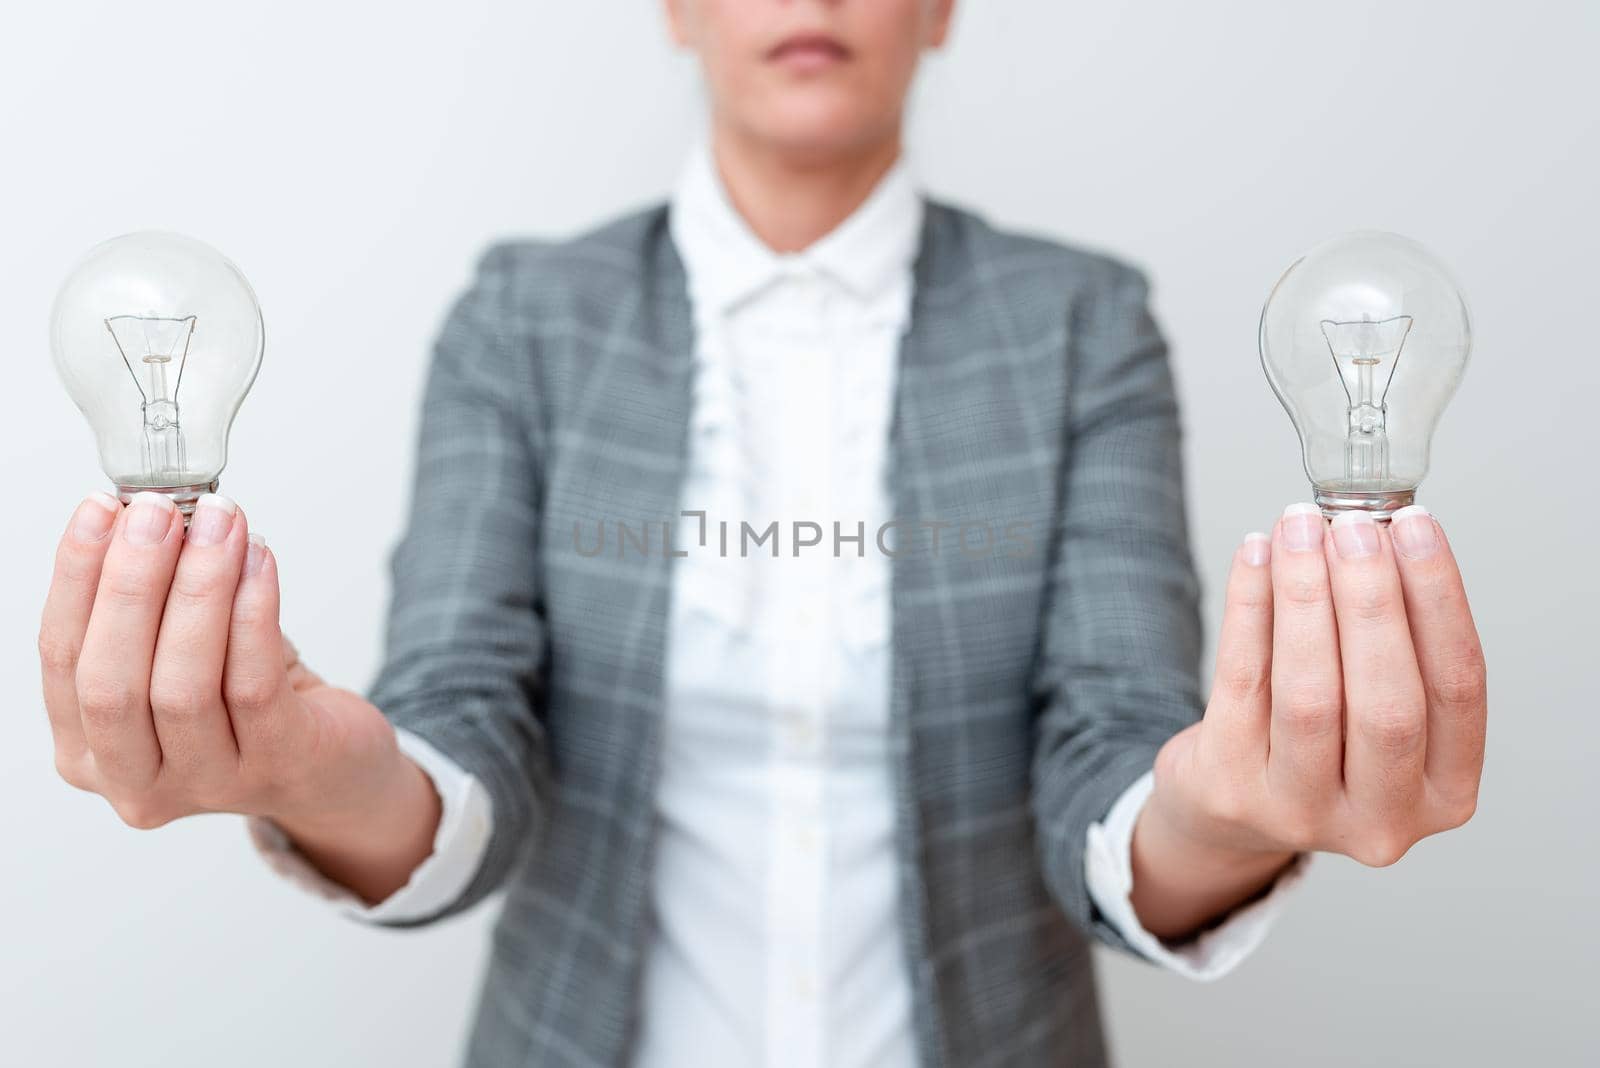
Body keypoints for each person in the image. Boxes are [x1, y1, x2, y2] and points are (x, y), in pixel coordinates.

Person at [35, 2, 1487, 1066]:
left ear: (941, 9)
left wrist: (1233, 809)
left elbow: (1112, 755)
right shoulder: (523, 321)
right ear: (675, 9)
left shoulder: (1079, 324)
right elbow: (461, 737)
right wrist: (306, 766)